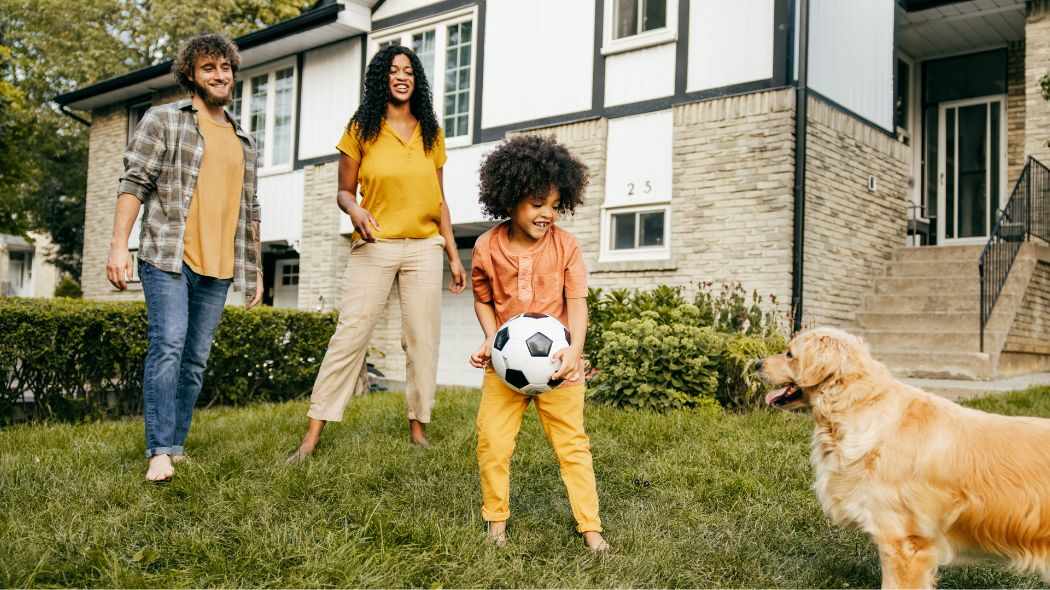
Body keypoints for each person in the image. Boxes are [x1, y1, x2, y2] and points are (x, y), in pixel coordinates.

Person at [287, 46, 466, 462]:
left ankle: (418, 427)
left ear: (416, 79)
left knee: (422, 340)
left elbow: (440, 200)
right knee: (350, 335)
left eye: (408, 71)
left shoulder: (430, 132)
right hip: (375, 244)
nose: (401, 76)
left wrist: (454, 256)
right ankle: (313, 434)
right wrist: (354, 209)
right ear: (380, 79)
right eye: (392, 70)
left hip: (424, 248)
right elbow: (343, 192)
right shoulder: (361, 129)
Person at [106, 33, 263, 482]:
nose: (220, 75)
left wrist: (256, 274)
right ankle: (158, 450)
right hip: (167, 257)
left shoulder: (244, 139)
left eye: (225, 67)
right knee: (168, 346)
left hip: (219, 266)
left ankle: (175, 445)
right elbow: (134, 182)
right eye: (209, 68)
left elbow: (251, 210)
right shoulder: (165, 120)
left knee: (194, 360)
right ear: (191, 75)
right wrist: (119, 245)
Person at [468, 135, 610, 552]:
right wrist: (491, 339)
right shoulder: (485, 247)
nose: (547, 213)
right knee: (492, 443)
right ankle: (496, 523)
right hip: (504, 369)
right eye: (536, 203)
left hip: (559, 368)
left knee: (573, 446)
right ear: (509, 198)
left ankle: (591, 529)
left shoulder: (566, 246)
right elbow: (483, 299)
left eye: (554, 204)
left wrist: (575, 352)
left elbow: (577, 303)